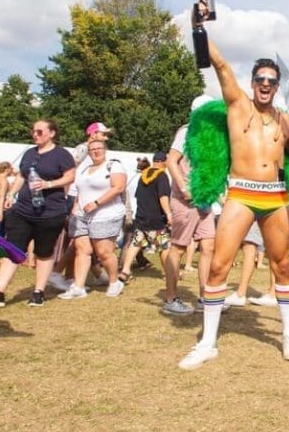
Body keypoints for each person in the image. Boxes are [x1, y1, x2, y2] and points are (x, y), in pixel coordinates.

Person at [178, 5, 289, 370]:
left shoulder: (284, 120)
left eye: (271, 80)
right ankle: (208, 341)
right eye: (259, 78)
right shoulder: (238, 105)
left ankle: (288, 334)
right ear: (253, 80)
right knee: (218, 267)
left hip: (275, 198)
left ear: (277, 86)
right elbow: (221, 65)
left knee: (283, 266)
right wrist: (198, 26)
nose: (264, 84)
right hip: (241, 193)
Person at [0, 119, 76, 308]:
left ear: (52, 133)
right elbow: (22, 175)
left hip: (50, 212)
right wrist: (11, 194)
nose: (35, 134)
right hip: (24, 210)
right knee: (13, 248)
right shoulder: (29, 153)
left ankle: (38, 292)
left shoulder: (62, 155)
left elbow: (70, 176)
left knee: (44, 253)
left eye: (39, 131)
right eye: (33, 131)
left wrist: (48, 184)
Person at [164, 96, 217, 314]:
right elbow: (171, 160)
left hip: (204, 200)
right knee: (178, 247)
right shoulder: (186, 131)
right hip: (185, 200)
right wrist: (183, 187)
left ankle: (205, 297)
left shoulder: (210, 136)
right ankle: (170, 299)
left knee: (209, 246)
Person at [59, 139, 127, 300]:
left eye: (99, 148)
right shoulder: (84, 170)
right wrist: (76, 206)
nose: (96, 151)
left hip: (106, 214)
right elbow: (80, 191)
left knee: (104, 253)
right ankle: (78, 287)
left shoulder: (114, 166)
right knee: (82, 250)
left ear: (105, 150)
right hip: (82, 215)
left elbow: (118, 187)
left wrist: (97, 203)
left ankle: (114, 281)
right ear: (88, 153)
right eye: (92, 149)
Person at [119, 151, 173, 289]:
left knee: (135, 244)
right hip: (156, 218)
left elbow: (138, 196)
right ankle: (168, 273)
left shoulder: (143, 175)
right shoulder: (161, 175)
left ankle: (125, 270)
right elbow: (163, 197)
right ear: (163, 161)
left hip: (142, 216)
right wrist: (168, 213)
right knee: (164, 245)